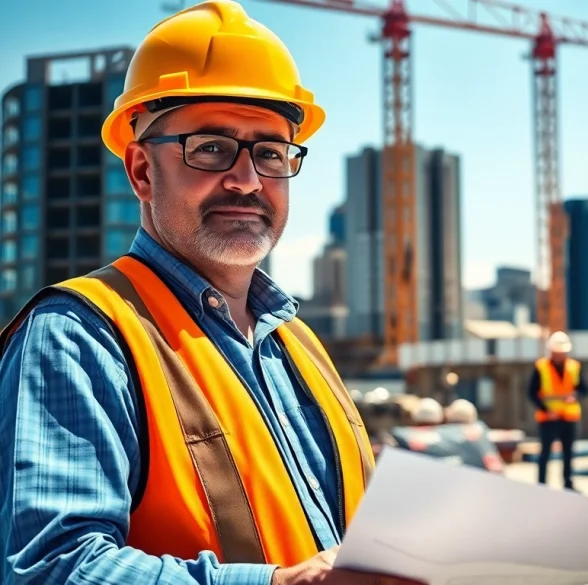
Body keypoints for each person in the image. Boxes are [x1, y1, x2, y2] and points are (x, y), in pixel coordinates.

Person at [0, 2, 425, 584]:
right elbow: (51, 569)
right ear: (142, 172)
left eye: (271, 153)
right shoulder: (79, 335)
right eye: (211, 148)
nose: (247, 180)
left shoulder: (297, 342)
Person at [527, 331, 588, 491]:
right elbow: (532, 392)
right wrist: (545, 410)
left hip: (569, 417)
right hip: (548, 418)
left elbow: (586, 388)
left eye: (562, 352)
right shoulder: (541, 367)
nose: (559, 355)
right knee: (545, 453)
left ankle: (568, 483)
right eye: (557, 352)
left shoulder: (574, 367)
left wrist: (575, 395)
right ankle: (541, 485)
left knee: (568, 453)